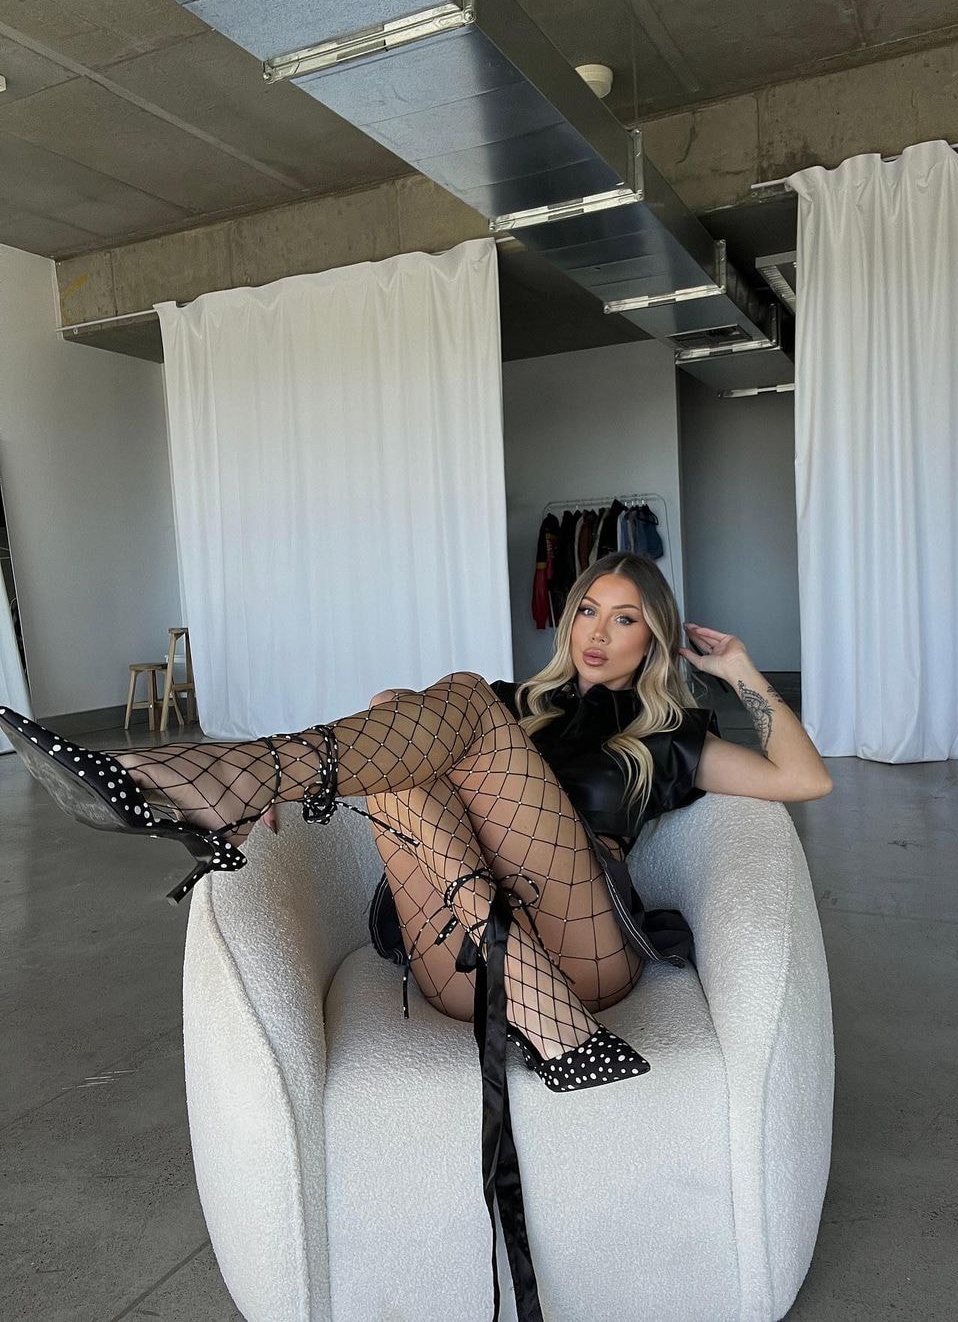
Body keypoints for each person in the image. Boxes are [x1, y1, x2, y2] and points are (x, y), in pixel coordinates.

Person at [0, 551, 832, 1321]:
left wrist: (739, 671)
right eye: (587, 610)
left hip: (584, 946)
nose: (598, 632)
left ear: (654, 636)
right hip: (466, 961)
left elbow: (805, 779)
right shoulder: (514, 709)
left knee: (441, 705)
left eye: (625, 618)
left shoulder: (671, 738)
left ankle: (229, 777)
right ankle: (529, 994)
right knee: (395, 716)